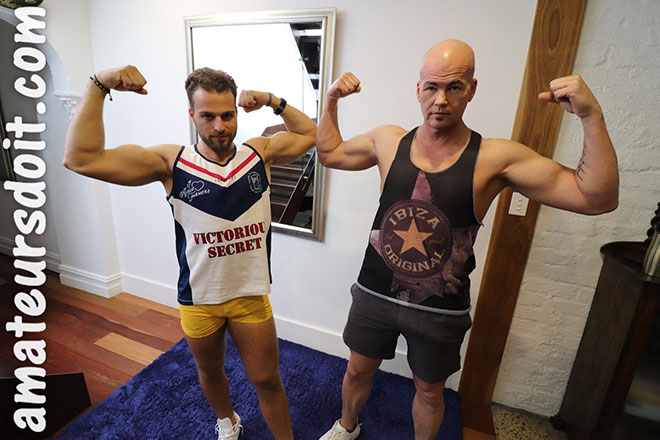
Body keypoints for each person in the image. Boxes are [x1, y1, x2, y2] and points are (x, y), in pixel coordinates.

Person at [316, 39, 618, 440]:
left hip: (440, 309)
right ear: (418, 89)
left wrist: (591, 115)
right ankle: (347, 426)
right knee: (356, 369)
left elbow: (597, 199)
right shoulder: (388, 141)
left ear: (471, 89)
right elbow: (330, 153)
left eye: (454, 87)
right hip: (375, 293)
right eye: (431, 87)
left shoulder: (496, 158)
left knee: (429, 392)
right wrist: (331, 100)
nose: (440, 100)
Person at [63, 65, 317, 440]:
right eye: (208, 116)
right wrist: (99, 84)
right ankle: (228, 421)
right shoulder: (172, 163)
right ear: (192, 115)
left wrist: (271, 100)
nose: (219, 126)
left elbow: (310, 134)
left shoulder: (258, 154)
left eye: (227, 115)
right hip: (198, 299)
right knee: (210, 370)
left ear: (236, 112)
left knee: (267, 379)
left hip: (249, 295)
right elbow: (80, 158)